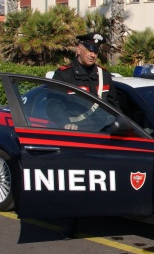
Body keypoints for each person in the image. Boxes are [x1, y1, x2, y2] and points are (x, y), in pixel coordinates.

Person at [51, 32, 119, 239]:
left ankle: (102, 215)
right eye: (89, 49)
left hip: (101, 135)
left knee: (102, 180)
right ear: (78, 48)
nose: (93, 54)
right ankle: (69, 222)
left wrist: (119, 125)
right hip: (76, 136)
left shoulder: (103, 75)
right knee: (74, 183)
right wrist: (64, 123)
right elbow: (52, 104)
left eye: (96, 51)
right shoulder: (64, 75)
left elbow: (114, 104)